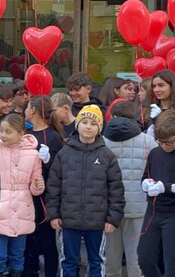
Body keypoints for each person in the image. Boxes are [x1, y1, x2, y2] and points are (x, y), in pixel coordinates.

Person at [46, 105, 125, 277]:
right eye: (84, 122)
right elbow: (53, 187)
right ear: (77, 125)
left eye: (93, 123)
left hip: (97, 222)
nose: (88, 126)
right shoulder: (64, 154)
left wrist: (113, 218)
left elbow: (116, 189)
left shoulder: (107, 156)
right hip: (68, 221)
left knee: (96, 261)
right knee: (68, 261)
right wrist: (54, 214)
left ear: (99, 128)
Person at [103, 100, 157, 277]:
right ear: (134, 116)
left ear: (112, 116)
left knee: (110, 257)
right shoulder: (149, 142)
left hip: (109, 208)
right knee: (136, 259)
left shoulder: (100, 141)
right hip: (139, 207)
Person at [0, 114, 44, 277]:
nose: (3, 135)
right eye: (1, 131)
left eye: (8, 132)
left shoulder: (33, 155)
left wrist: (38, 185)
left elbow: (35, 187)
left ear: (20, 133)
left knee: (18, 255)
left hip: (22, 210)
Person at [23, 95, 63, 277]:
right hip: (25, 194)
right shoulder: (24, 134)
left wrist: (48, 160)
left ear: (33, 110)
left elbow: (59, 168)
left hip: (45, 197)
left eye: (27, 107)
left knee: (47, 242)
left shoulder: (53, 137)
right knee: (28, 240)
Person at [137, 109, 175, 277]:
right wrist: (145, 183)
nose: (164, 146)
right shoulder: (155, 153)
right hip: (153, 212)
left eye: (169, 142)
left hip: (173, 214)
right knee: (144, 259)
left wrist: (165, 188)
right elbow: (147, 175)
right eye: (161, 142)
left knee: (171, 264)